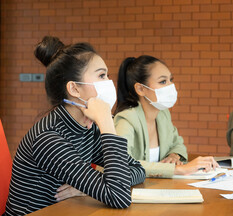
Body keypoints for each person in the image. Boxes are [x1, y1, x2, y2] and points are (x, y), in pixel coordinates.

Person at [5, 36, 145, 216]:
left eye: (107, 75)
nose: (109, 83)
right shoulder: (49, 138)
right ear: (74, 89)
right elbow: (119, 196)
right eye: (101, 75)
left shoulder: (85, 127)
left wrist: (91, 187)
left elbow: (137, 170)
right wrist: (106, 123)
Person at [114, 55, 218, 178]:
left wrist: (174, 155)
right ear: (141, 89)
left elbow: (177, 143)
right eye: (163, 81)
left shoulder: (162, 114)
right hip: (131, 193)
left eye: (170, 80)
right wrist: (179, 169)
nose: (170, 86)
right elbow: (123, 164)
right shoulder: (126, 119)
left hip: (157, 189)